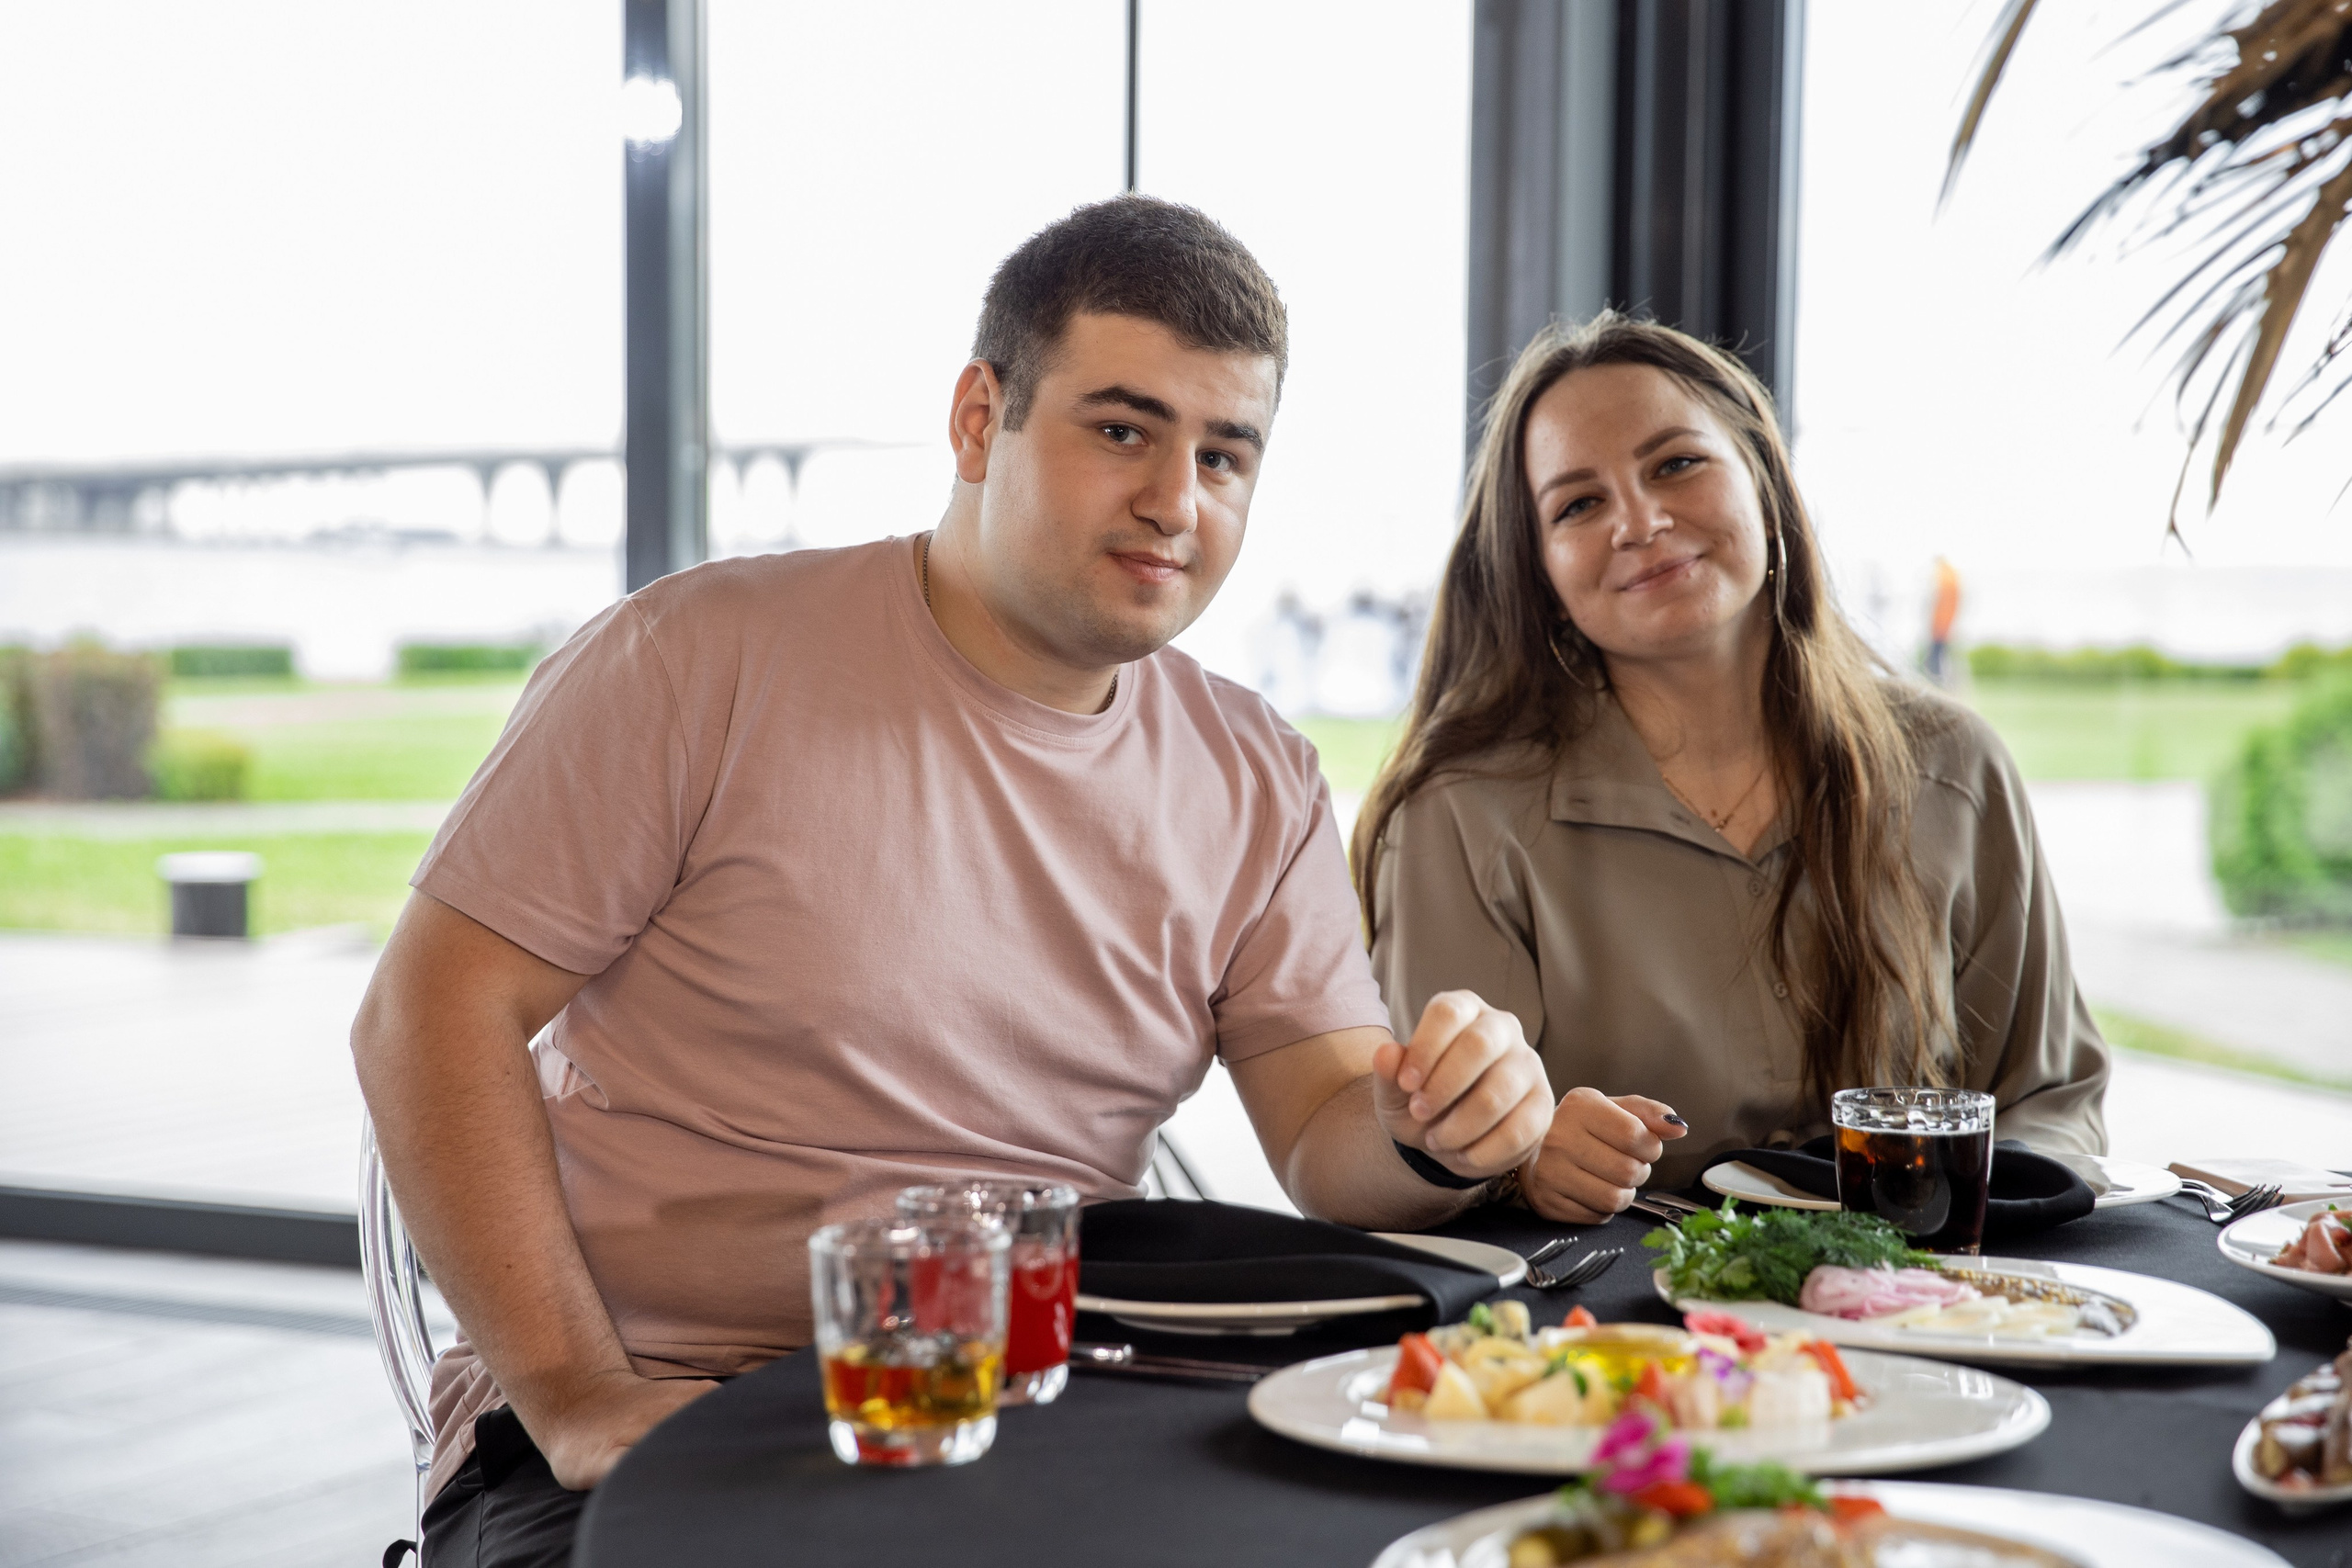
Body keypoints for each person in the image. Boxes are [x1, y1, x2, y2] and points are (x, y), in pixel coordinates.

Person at [350, 197, 1552, 1568]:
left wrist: (1431, 1126)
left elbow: (1330, 1130)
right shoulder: (695, 657)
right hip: (672, 1403)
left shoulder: (1253, 771)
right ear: (980, 420)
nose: (1178, 502)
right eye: (1123, 430)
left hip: (1044, 1410)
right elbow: (427, 1011)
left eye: (1225, 455)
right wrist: (576, 1392)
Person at [1353, 312, 2108, 1227]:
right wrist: (1522, 1164)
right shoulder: (1458, 815)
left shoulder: (1956, 769)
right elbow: (1435, 1157)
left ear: (1763, 479)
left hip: (1929, 1291)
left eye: (1676, 463)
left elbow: (2048, 1106)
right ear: (1539, 570)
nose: (1640, 522)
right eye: (1578, 505)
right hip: (1617, 1303)